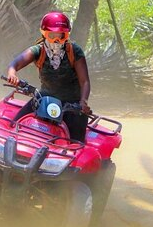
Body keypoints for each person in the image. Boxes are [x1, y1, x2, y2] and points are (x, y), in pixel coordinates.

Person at [6, 11, 91, 142]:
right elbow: (15, 64)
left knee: (76, 143)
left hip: (72, 104)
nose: (57, 40)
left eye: (61, 36)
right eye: (52, 35)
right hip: (44, 99)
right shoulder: (38, 50)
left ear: (66, 35)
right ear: (44, 34)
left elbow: (84, 81)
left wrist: (83, 102)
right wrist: (12, 74)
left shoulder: (75, 51)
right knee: (14, 127)